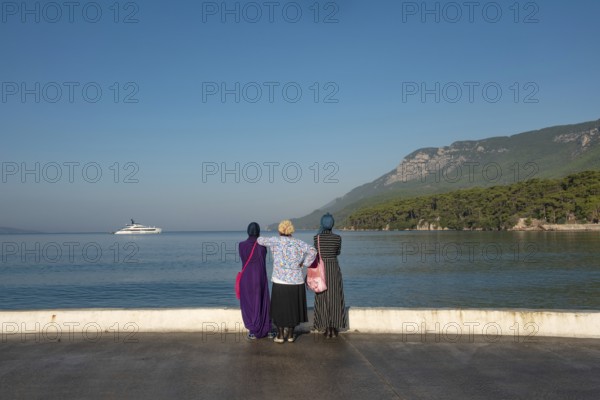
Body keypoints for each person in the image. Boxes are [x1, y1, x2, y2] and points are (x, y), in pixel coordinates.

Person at [258, 220, 317, 343]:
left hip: (280, 280)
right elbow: (313, 251)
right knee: (293, 309)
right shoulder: (298, 243)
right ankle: (290, 335)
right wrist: (304, 263)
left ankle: (280, 335)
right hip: (296, 281)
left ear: (280, 230)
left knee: (279, 309)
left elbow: (260, 240)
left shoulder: (275, 241)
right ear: (291, 230)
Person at [313, 213, 348, 338]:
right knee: (335, 298)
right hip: (333, 268)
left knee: (322, 298)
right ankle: (334, 328)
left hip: (321, 270)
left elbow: (317, 254)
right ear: (332, 224)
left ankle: (326, 328)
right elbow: (337, 252)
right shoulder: (337, 238)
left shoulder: (316, 238)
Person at [239, 222, 271, 339]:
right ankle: (265, 328)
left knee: (248, 303)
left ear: (248, 231)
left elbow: (244, 259)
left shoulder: (241, 245)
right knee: (262, 302)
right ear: (258, 232)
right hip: (260, 277)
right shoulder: (262, 246)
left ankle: (252, 330)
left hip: (246, 278)